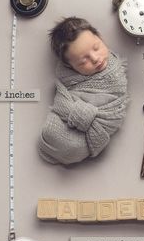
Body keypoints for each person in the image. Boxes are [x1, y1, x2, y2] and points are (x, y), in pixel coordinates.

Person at [39, 17, 129, 165]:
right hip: (73, 117)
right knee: (54, 134)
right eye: (83, 61)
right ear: (70, 67)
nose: (95, 58)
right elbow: (65, 99)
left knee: (71, 144)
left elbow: (116, 91)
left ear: (99, 37)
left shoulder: (113, 68)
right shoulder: (70, 78)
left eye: (96, 47)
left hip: (96, 123)